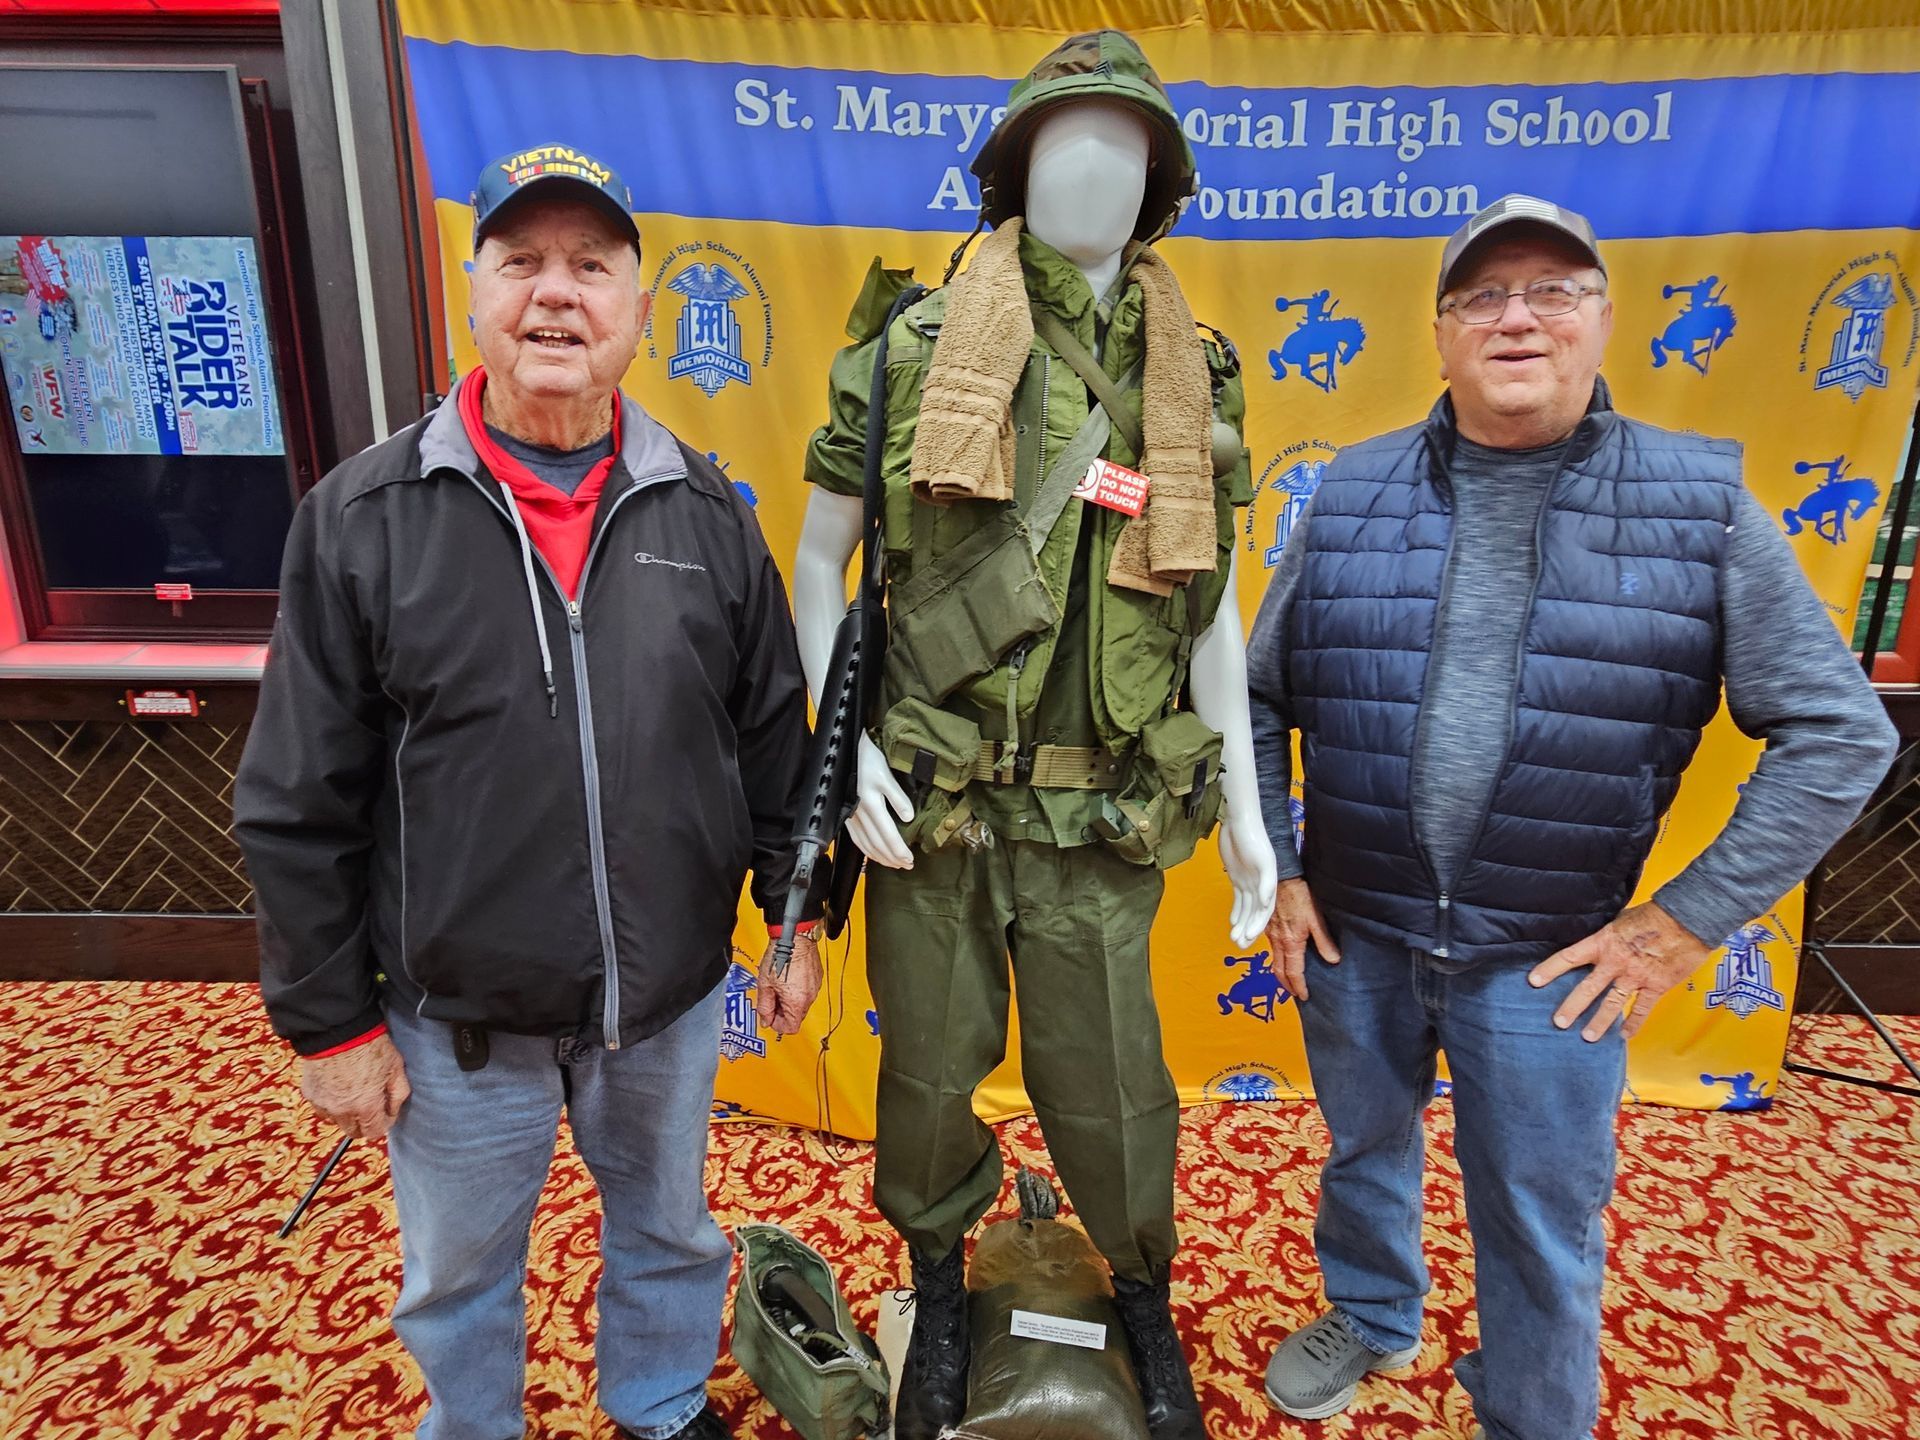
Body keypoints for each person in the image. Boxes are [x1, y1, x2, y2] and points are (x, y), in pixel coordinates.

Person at [1247, 193, 1897, 1440]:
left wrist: (1684, 924)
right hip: (1359, 931)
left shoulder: (1698, 505)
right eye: (1484, 296)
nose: (1517, 318)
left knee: (1541, 1213)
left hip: (1555, 958)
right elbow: (1261, 696)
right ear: (1439, 333)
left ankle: (1534, 1411)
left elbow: (1840, 733)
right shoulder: (1351, 492)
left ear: (1604, 321)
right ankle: (1376, 1315)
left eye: (1553, 291)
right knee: (1362, 1151)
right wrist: (1282, 864)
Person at [234, 143, 821, 1440]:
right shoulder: (364, 521)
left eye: (592, 268)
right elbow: (295, 804)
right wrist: (329, 1029)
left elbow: (773, 735)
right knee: (457, 1277)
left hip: (663, 1005)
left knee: (671, 1232)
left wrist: (795, 911)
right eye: (524, 263)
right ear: (474, 291)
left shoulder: (708, 513)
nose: (557, 296)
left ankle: (659, 1405)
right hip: (458, 1027)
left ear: (641, 311)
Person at [794, 30, 1275, 1440]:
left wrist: (1246, 801)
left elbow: (1216, 607)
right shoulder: (910, 351)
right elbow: (822, 563)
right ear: (1010, 173)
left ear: (1160, 185)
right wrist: (848, 748)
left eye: (1123, 150)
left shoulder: (1203, 372)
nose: (1092, 173)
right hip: (935, 807)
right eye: (1063, 143)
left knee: (1116, 1090)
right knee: (931, 1078)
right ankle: (939, 1284)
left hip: (1103, 815)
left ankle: (1138, 1295)